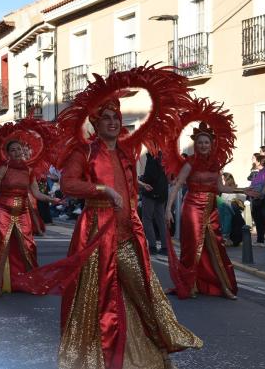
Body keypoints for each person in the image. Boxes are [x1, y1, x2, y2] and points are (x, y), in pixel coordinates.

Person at [14, 67, 203, 368]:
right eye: (107, 118)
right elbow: (68, 184)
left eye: (116, 117)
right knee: (99, 300)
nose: (113, 122)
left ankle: (153, 351)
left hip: (129, 234)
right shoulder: (84, 152)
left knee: (144, 293)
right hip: (97, 232)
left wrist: (134, 185)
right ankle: (101, 357)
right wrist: (103, 190)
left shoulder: (126, 152)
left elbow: (123, 181)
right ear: (96, 123)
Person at [166, 122, 254, 299]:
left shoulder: (216, 164)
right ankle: (189, 285)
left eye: (206, 142)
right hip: (192, 208)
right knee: (192, 248)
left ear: (211, 144)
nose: (203, 145)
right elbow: (177, 185)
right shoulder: (190, 163)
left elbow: (220, 188)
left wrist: (242, 190)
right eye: (200, 142)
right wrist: (168, 209)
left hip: (211, 209)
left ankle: (224, 286)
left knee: (216, 247)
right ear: (195, 145)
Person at [0, 140, 60, 299]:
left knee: (28, 247)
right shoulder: (4, 168)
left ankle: (33, 282)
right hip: (3, 211)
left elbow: (36, 193)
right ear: (7, 154)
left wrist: (51, 199)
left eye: (19, 149)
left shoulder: (29, 170)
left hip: (23, 212)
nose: (17, 152)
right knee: (1, 249)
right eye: (12, 150)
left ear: (23, 150)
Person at [139, 151, 169, 255]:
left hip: (150, 192)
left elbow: (150, 176)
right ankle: (165, 246)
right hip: (162, 193)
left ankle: (152, 246)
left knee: (147, 219)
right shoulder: (164, 158)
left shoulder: (152, 158)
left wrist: (142, 179)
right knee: (160, 220)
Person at [249, 153, 265, 243]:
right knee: (258, 220)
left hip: (262, 200)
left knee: (263, 220)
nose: (254, 161)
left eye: (255, 159)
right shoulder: (260, 173)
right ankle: (260, 239)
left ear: (259, 162)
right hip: (257, 199)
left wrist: (259, 195)